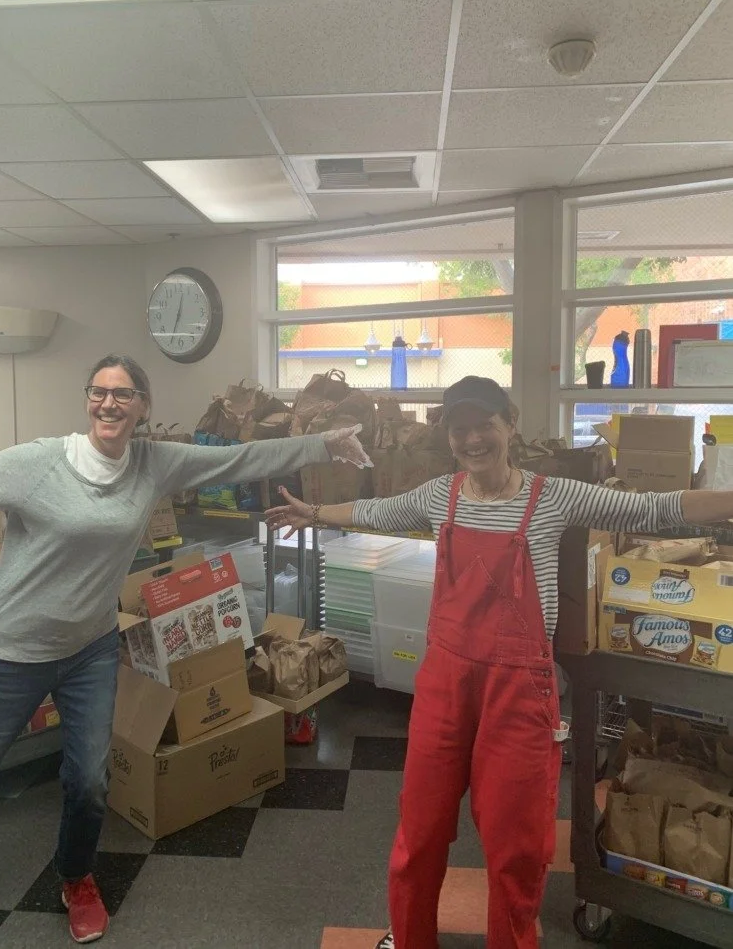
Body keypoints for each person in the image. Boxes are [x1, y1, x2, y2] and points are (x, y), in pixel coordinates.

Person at [265, 375, 733, 949]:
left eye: (484, 424)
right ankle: (410, 939)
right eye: (460, 428)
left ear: (510, 424)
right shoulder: (442, 495)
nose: (473, 438)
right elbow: (379, 510)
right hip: (443, 683)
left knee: (517, 845)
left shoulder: (554, 495)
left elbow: (653, 506)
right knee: (420, 830)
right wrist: (314, 511)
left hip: (519, 690)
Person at [0, 354, 369, 945]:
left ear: (143, 407)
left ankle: (75, 876)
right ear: (87, 400)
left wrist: (326, 442)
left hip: (89, 650)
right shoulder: (38, 463)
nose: (108, 403)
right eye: (98, 391)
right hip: (12, 651)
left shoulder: (153, 463)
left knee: (89, 780)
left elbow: (240, 456)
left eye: (123, 395)